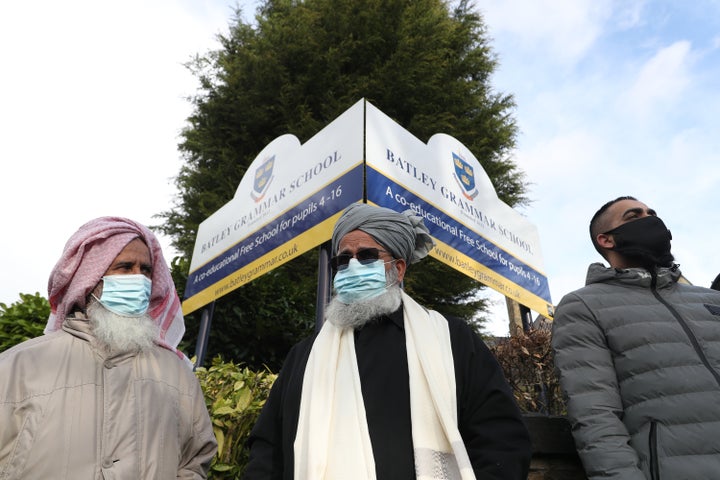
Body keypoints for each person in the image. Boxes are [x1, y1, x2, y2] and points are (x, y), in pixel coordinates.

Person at [244, 202, 531, 480]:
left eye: (367, 256)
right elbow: (267, 452)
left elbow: (501, 438)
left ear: (399, 268)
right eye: (343, 260)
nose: (352, 266)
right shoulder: (304, 357)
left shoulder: (451, 339)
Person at [0, 217, 217, 479]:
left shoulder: (178, 374)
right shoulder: (19, 365)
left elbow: (196, 460)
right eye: (125, 267)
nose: (139, 279)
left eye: (146, 270)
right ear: (89, 279)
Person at [551, 196, 720, 479]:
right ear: (606, 240)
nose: (650, 219)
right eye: (634, 216)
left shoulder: (711, 299)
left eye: (652, 213)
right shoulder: (584, 305)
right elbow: (595, 416)